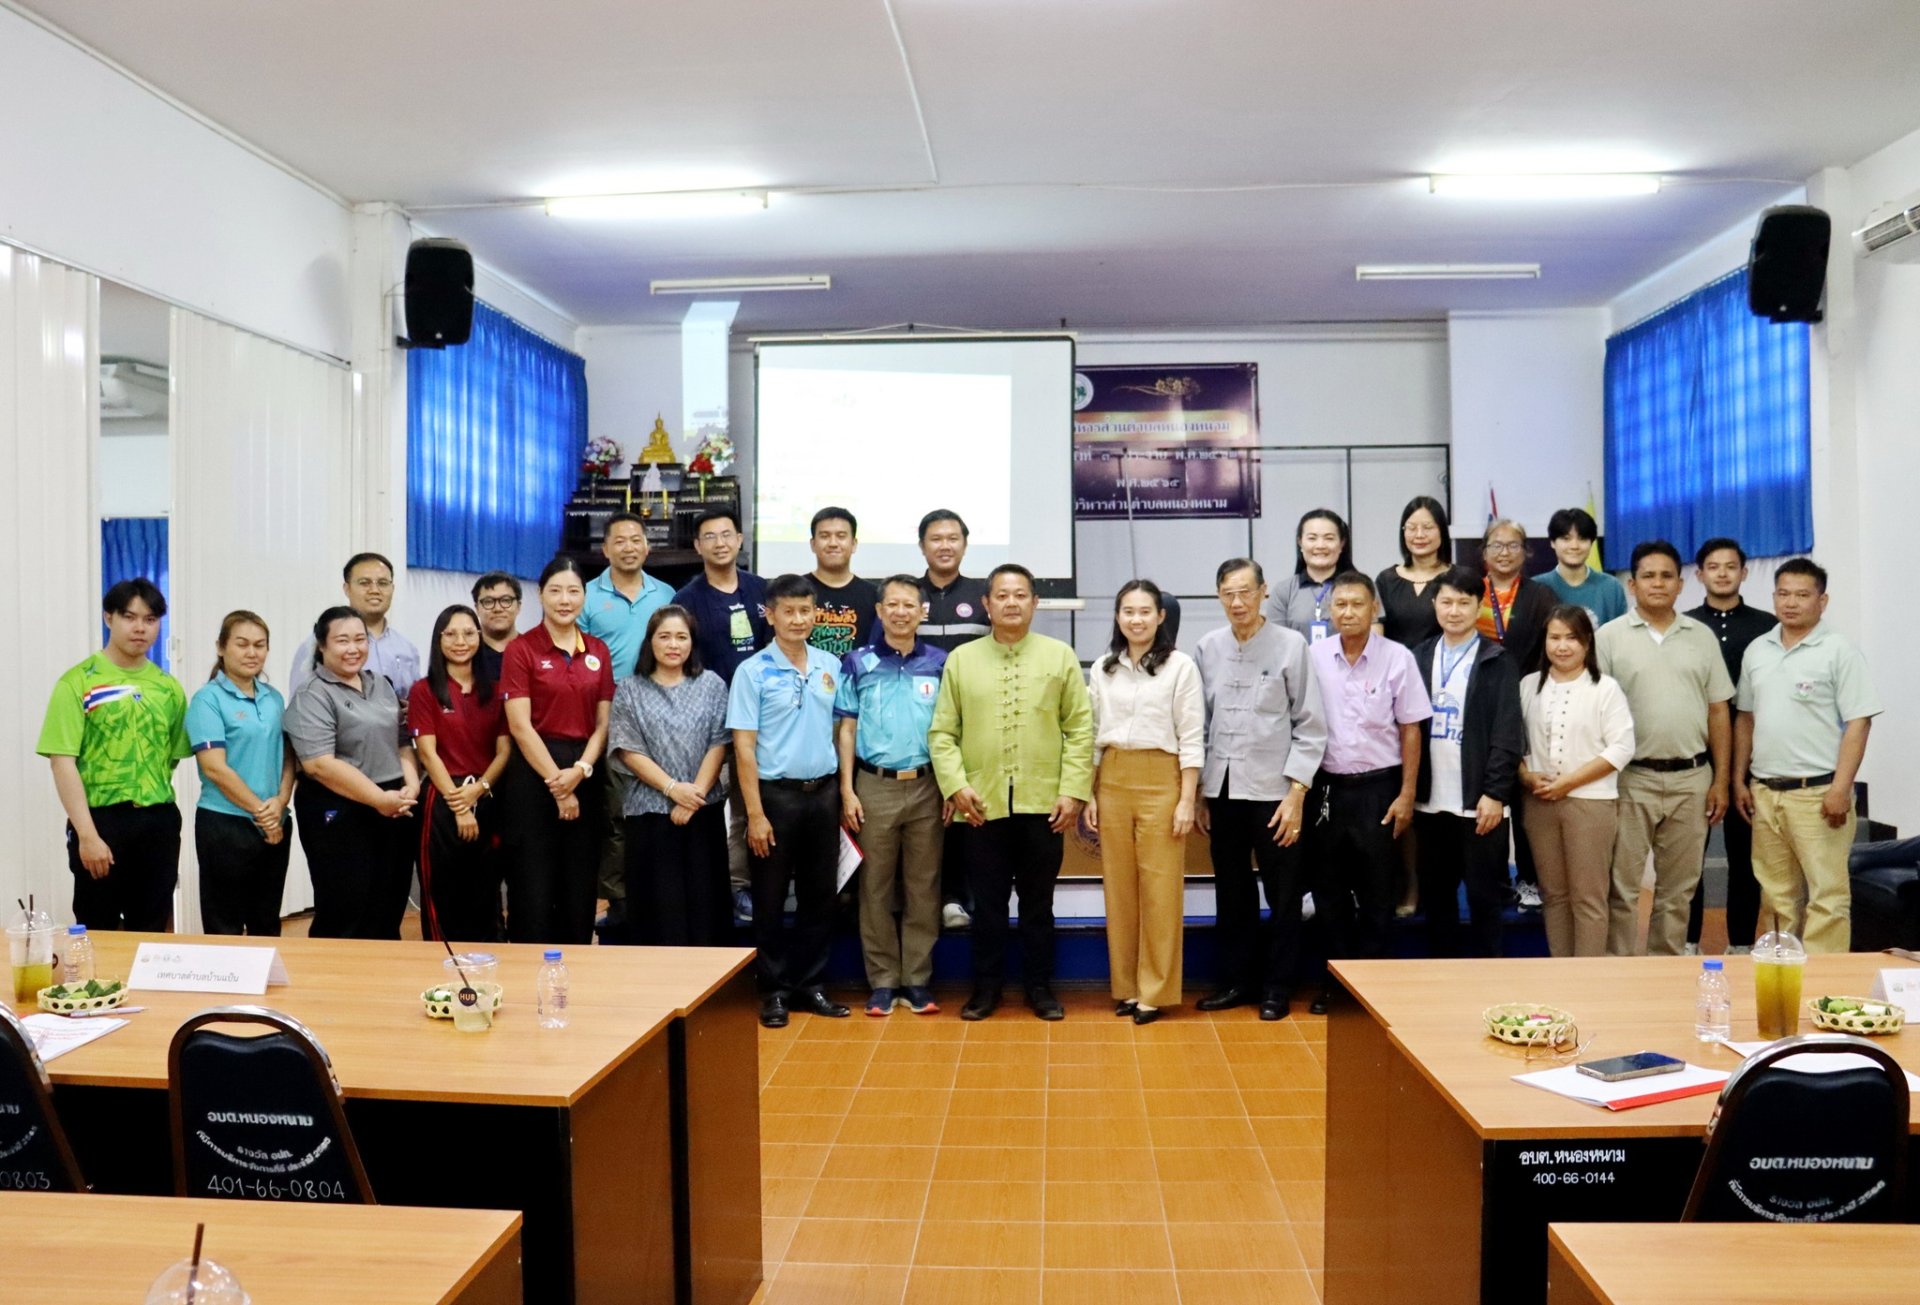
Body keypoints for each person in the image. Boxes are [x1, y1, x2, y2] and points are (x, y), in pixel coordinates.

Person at [930, 564, 1092, 1021]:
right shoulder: (962, 659)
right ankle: (986, 990)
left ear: (1035, 602)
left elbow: (1080, 729)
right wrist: (957, 786)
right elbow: (942, 732)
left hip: (1046, 806)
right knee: (988, 907)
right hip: (982, 806)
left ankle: (1040, 988)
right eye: (1002, 595)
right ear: (987, 604)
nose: (1011, 603)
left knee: (1040, 905)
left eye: (1021, 594)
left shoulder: (1060, 656)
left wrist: (1073, 791)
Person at [1194, 559, 1327, 1021]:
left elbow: (1310, 725)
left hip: (1275, 793)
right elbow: (1201, 725)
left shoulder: (1292, 645)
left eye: (1246, 592)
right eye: (1228, 593)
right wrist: (1199, 795)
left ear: (1264, 592)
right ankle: (1237, 982)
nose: (1238, 602)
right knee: (1231, 893)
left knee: (1284, 893)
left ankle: (1277, 987)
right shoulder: (1207, 647)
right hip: (1223, 790)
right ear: (1218, 596)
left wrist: (1296, 794)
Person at [1733, 558, 1880, 954]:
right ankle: (1777, 982)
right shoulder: (1757, 650)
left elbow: (1859, 723)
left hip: (1818, 794)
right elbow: (1745, 718)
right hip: (1765, 792)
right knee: (1775, 897)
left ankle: (1822, 988)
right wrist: (1739, 779)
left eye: (1802, 595)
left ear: (1822, 600)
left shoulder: (1839, 651)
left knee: (1827, 897)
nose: (1791, 603)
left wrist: (1841, 788)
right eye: (1783, 594)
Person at [1596, 541, 1733, 957]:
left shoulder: (1702, 637)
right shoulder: (1609, 637)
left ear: (1680, 584)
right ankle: (1617, 971)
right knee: (1622, 886)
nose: (1658, 583)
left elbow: (1719, 712)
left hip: (1692, 779)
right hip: (1629, 778)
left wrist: (1721, 781)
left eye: (1667, 576)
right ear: (1632, 585)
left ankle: (1664, 972)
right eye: (1648, 576)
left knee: (1678, 891)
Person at [1304, 572, 1430, 1012]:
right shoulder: (1314, 656)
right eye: (1340, 605)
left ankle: (1375, 991)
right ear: (1329, 610)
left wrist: (1407, 794)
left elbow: (1411, 728)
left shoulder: (1397, 658)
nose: (1349, 612)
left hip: (1381, 788)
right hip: (1327, 791)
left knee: (1379, 894)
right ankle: (1337, 985)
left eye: (1357, 604)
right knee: (1330, 894)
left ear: (1374, 607)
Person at [728, 574, 850, 1027]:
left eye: (805, 611)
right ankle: (774, 991)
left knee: (820, 897)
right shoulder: (752, 671)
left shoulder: (830, 664)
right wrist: (755, 814)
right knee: (771, 899)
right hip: (774, 799)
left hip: (823, 795)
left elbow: (843, 732)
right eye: (789, 611)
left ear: (815, 614)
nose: (798, 619)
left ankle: (811, 985)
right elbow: (743, 748)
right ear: (770, 615)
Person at [38, 578, 190, 932]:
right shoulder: (78, 682)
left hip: (158, 821)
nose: (140, 628)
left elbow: (171, 755)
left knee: (152, 927)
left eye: (150, 619)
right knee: (97, 927)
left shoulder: (168, 688)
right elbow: (62, 762)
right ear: (109, 618)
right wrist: (87, 835)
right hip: (100, 822)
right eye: (129, 617)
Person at [1086, 580, 1204, 1025]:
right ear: (1117, 617)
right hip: (1113, 778)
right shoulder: (1103, 668)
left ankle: (1155, 991)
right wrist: (1093, 791)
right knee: (1119, 890)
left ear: (1161, 617)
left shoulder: (1180, 667)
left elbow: (1192, 735)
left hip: (1163, 780)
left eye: (1144, 612)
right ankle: (1128, 987)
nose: (1136, 619)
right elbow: (1092, 733)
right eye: (1127, 611)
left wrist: (1186, 798)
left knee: (1160, 890)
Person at [835, 576, 948, 1016]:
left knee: (924, 886)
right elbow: (846, 728)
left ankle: (917, 980)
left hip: (927, 786)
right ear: (879, 611)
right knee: (875, 887)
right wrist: (847, 789)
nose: (901, 612)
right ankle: (882, 981)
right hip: (872, 786)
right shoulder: (857, 662)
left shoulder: (940, 663)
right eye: (892, 605)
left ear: (923, 612)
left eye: (910, 605)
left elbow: (951, 730)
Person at [285, 606, 420, 939]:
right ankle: (335, 986)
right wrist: (377, 799)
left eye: (360, 639)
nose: (353, 648)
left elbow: (403, 743)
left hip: (394, 804)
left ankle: (381, 984)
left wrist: (412, 787)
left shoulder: (382, 685)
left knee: (388, 905)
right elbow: (320, 764)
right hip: (339, 807)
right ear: (322, 646)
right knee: (345, 907)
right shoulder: (311, 694)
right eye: (342, 640)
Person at [1411, 567, 1525, 958]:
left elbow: (1508, 734)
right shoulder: (1419, 656)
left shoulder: (1498, 660)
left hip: (1478, 803)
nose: (1454, 610)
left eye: (1464, 602)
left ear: (1479, 606)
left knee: (1484, 898)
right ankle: (1443, 978)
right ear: (1434, 605)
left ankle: (1488, 980)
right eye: (1446, 601)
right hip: (1428, 803)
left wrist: (1495, 793)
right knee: (1437, 899)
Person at [499, 557, 614, 945]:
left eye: (573, 591)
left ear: (584, 596)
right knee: (533, 887)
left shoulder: (598, 649)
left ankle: (574, 981)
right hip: (534, 776)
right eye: (555, 590)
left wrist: (579, 771)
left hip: (585, 772)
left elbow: (603, 724)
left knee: (579, 888)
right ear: (540, 594)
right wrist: (558, 785)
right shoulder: (521, 648)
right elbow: (519, 725)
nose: (565, 600)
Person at [580, 511, 676, 943]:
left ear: (647, 546)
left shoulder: (667, 593)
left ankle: (655, 894)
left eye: (636, 539)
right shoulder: (586, 597)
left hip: (661, 715)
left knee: (655, 805)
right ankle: (619, 903)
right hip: (609, 716)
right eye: (620, 540)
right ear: (605, 549)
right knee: (616, 813)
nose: (629, 547)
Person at [610, 606, 732, 946]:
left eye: (682, 636)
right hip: (649, 814)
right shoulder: (630, 689)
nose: (673, 644)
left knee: (705, 904)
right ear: (650, 642)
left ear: (693, 642)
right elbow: (627, 749)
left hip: (701, 810)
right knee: (659, 909)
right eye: (664, 636)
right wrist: (671, 788)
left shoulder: (712, 685)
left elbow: (719, 743)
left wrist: (693, 796)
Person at [1518, 606, 1635, 957]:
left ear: (1587, 643)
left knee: (1588, 897)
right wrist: (1526, 776)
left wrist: (1568, 783)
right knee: (1553, 895)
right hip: (1539, 803)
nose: (1562, 646)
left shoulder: (1605, 689)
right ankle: (1562, 975)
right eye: (1555, 637)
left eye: (1572, 638)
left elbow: (1622, 747)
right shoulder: (1527, 686)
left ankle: (1590, 980)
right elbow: (1515, 745)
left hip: (1590, 803)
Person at [673, 506, 771, 921]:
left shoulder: (762, 591)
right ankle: (732, 888)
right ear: (698, 546)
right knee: (721, 805)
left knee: (760, 804)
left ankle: (761, 882)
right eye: (709, 537)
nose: (720, 543)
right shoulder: (687, 600)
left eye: (726, 534)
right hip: (711, 721)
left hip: (765, 719)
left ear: (740, 539)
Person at [1684, 538, 1777, 954]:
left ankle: (1740, 943)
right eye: (1713, 566)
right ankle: (1686, 942)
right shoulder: (1684, 626)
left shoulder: (1769, 627)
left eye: (1731, 566)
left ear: (1744, 572)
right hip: (1693, 755)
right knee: (1688, 862)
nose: (1722, 573)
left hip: (1752, 759)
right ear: (1699, 574)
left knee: (1745, 859)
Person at [186, 611, 295, 936]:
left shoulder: (273, 698)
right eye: (242, 644)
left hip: (276, 820)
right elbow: (214, 767)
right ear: (221, 647)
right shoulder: (207, 699)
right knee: (225, 923)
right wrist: (263, 813)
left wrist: (281, 801)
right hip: (224, 824)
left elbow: (289, 755)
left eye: (260, 645)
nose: (252, 653)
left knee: (267, 920)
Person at [409, 605, 510, 944]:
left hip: (487, 796)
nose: (460, 641)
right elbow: (427, 753)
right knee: (444, 894)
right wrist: (460, 806)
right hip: (444, 799)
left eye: (468, 633)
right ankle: (445, 972)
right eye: (450, 634)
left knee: (486, 893)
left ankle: (489, 973)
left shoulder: (495, 691)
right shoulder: (424, 690)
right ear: (438, 640)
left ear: (480, 638)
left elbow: (505, 751)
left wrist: (480, 790)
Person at [917, 507, 988, 930]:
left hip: (973, 729)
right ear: (922, 545)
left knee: (966, 816)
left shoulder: (983, 595)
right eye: (935, 539)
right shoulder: (906, 595)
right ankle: (930, 900)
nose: (945, 546)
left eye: (952, 538)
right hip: (917, 730)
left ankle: (962, 898)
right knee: (927, 821)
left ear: (964, 543)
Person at [1478, 517, 1555, 909]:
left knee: (1525, 799)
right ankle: (1489, 879)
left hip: (1527, 701)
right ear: (1484, 553)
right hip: (1479, 703)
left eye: (1513, 546)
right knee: (1486, 793)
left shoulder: (1541, 596)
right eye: (1496, 545)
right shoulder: (1471, 592)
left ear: (1526, 552)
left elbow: (1554, 647)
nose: (1504, 552)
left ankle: (1528, 878)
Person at [289, 553, 422, 705]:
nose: (374, 590)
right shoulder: (319, 644)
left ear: (392, 588)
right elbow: (299, 704)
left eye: (383, 583)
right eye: (364, 583)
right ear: (347, 588)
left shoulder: (407, 649)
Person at [1267, 508, 1355, 641]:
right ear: (1300, 543)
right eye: (1312, 538)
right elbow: (1277, 645)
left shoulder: (1361, 588)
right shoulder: (1283, 591)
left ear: (1342, 544)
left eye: (1329, 538)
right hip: (1296, 662)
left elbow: (1372, 640)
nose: (1320, 545)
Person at [1375, 496, 1451, 648]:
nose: (1419, 535)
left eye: (1428, 527)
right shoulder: (1386, 580)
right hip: (1396, 669)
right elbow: (1376, 637)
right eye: (1411, 528)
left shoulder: (1457, 579)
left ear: (1442, 530)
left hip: (1441, 669)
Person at [804, 506, 878, 657]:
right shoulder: (795, 590)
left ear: (854, 544)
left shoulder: (874, 595)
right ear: (813, 544)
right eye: (824, 536)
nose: (833, 543)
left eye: (841, 536)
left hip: (858, 679)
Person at [1534, 508, 1628, 625]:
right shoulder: (1535, 587)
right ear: (1552, 542)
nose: (1574, 546)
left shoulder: (1612, 587)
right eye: (1566, 539)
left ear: (1592, 543)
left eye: (1582, 539)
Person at [470, 572, 523, 682]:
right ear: (477, 608)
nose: (497, 609)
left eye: (506, 600)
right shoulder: (465, 653)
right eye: (488, 602)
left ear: (518, 606)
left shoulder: (533, 651)